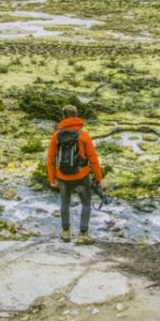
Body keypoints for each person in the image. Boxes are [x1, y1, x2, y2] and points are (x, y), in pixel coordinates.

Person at [47, 105, 102, 245]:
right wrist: (98, 177)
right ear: (76, 115)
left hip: (63, 177)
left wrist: (52, 178)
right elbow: (93, 159)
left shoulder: (56, 136)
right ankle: (83, 234)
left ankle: (66, 233)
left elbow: (51, 159)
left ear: (63, 117)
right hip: (82, 176)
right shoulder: (83, 136)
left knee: (65, 203)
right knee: (86, 203)